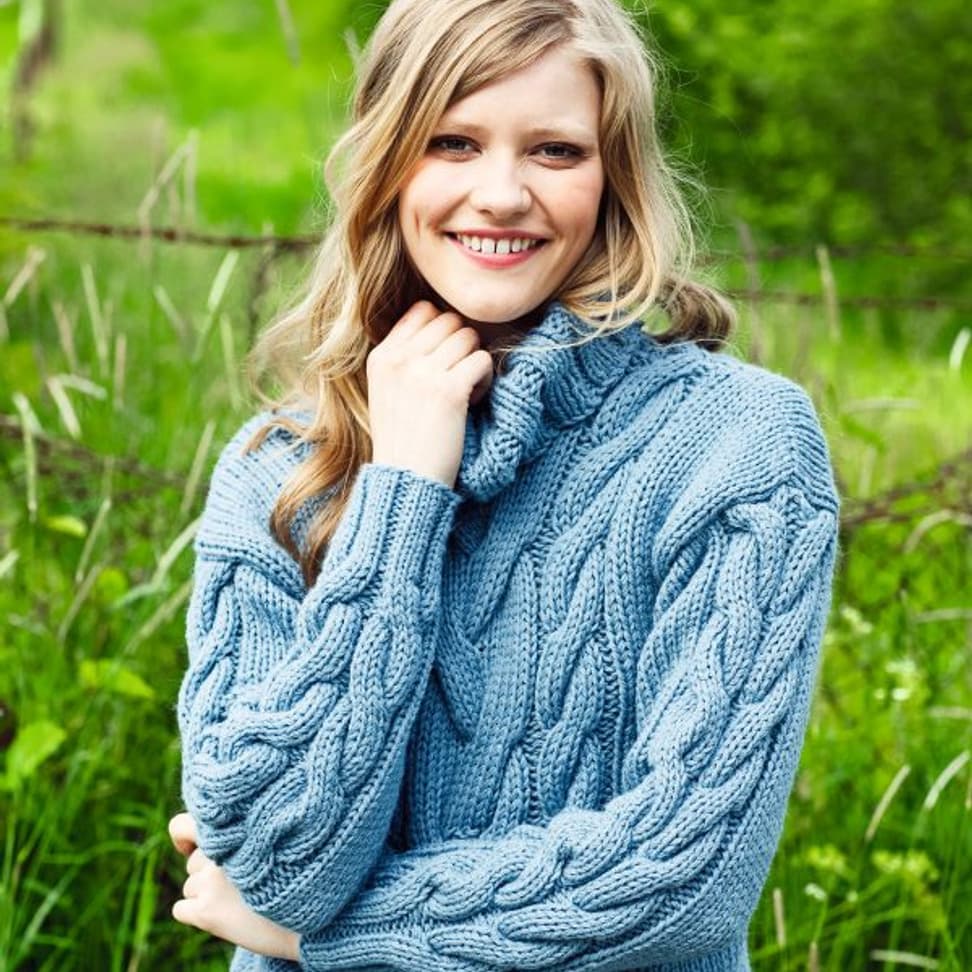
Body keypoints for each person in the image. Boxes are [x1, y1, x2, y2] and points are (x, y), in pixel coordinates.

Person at [168, 0, 841, 969]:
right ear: (389, 163)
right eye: (453, 142)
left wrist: (333, 938)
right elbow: (277, 865)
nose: (502, 194)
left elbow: (684, 877)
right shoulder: (280, 469)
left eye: (556, 151)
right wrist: (403, 490)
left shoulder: (738, 445)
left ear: (614, 173)